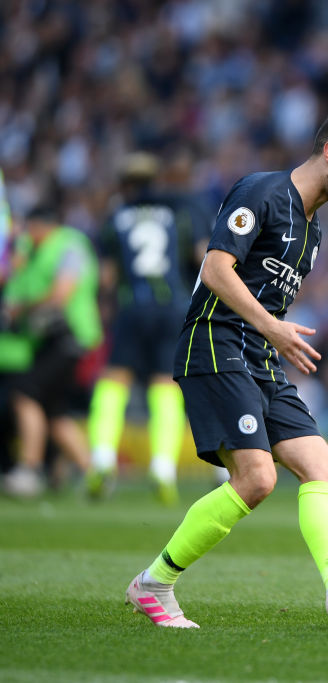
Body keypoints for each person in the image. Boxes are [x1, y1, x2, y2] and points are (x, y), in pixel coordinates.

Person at [125, 108, 328, 629]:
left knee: (324, 467)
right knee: (256, 479)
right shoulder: (261, 191)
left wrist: (273, 335)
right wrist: (274, 328)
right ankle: (153, 584)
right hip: (214, 343)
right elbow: (215, 270)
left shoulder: (313, 234)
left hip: (257, 355)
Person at [85, 152, 211, 504]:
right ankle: (162, 468)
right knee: (165, 385)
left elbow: (107, 277)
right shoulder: (181, 213)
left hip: (132, 307)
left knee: (114, 380)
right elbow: (202, 258)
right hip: (173, 307)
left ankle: (102, 459)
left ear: (125, 184)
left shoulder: (116, 217)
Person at [2, 208, 101, 497]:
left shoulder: (69, 244)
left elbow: (61, 292)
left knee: (24, 393)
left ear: (40, 225)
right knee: (53, 410)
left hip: (70, 336)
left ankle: (29, 470)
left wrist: (20, 309)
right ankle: (94, 473)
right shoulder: (36, 251)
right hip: (51, 339)